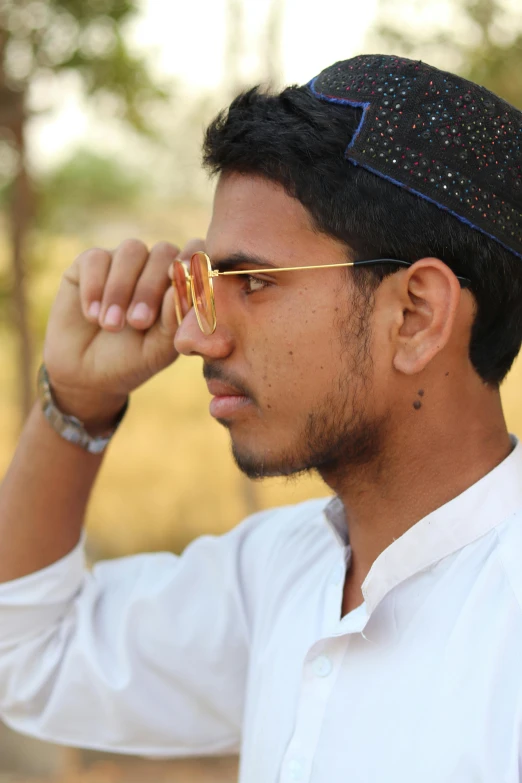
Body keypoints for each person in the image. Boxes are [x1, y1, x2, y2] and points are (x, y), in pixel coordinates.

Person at [0, 52, 522, 783]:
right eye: (206, 282)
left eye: (254, 280)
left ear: (416, 313)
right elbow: (28, 651)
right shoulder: (280, 572)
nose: (193, 335)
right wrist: (75, 402)